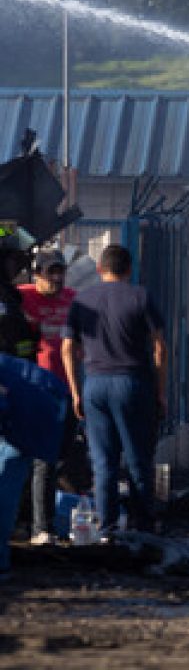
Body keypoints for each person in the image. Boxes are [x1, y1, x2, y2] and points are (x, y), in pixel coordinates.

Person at [62, 244, 166, 539]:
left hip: (95, 384)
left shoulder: (83, 300)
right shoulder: (140, 297)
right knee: (137, 460)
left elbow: (68, 347)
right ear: (129, 269)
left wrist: (76, 391)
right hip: (132, 383)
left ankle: (107, 530)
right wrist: (160, 392)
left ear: (99, 270)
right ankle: (142, 528)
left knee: (103, 463)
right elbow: (160, 347)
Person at [19, 250, 76, 545]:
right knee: (41, 460)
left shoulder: (72, 299)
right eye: (49, 272)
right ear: (36, 274)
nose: (55, 278)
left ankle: (37, 520)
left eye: (59, 272)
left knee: (57, 459)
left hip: (65, 391)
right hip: (33, 391)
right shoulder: (21, 297)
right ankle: (40, 526)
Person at [0, 230, 37, 576]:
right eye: (13, 259)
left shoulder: (10, 298)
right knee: (12, 464)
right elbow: (14, 348)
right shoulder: (5, 301)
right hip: (6, 394)